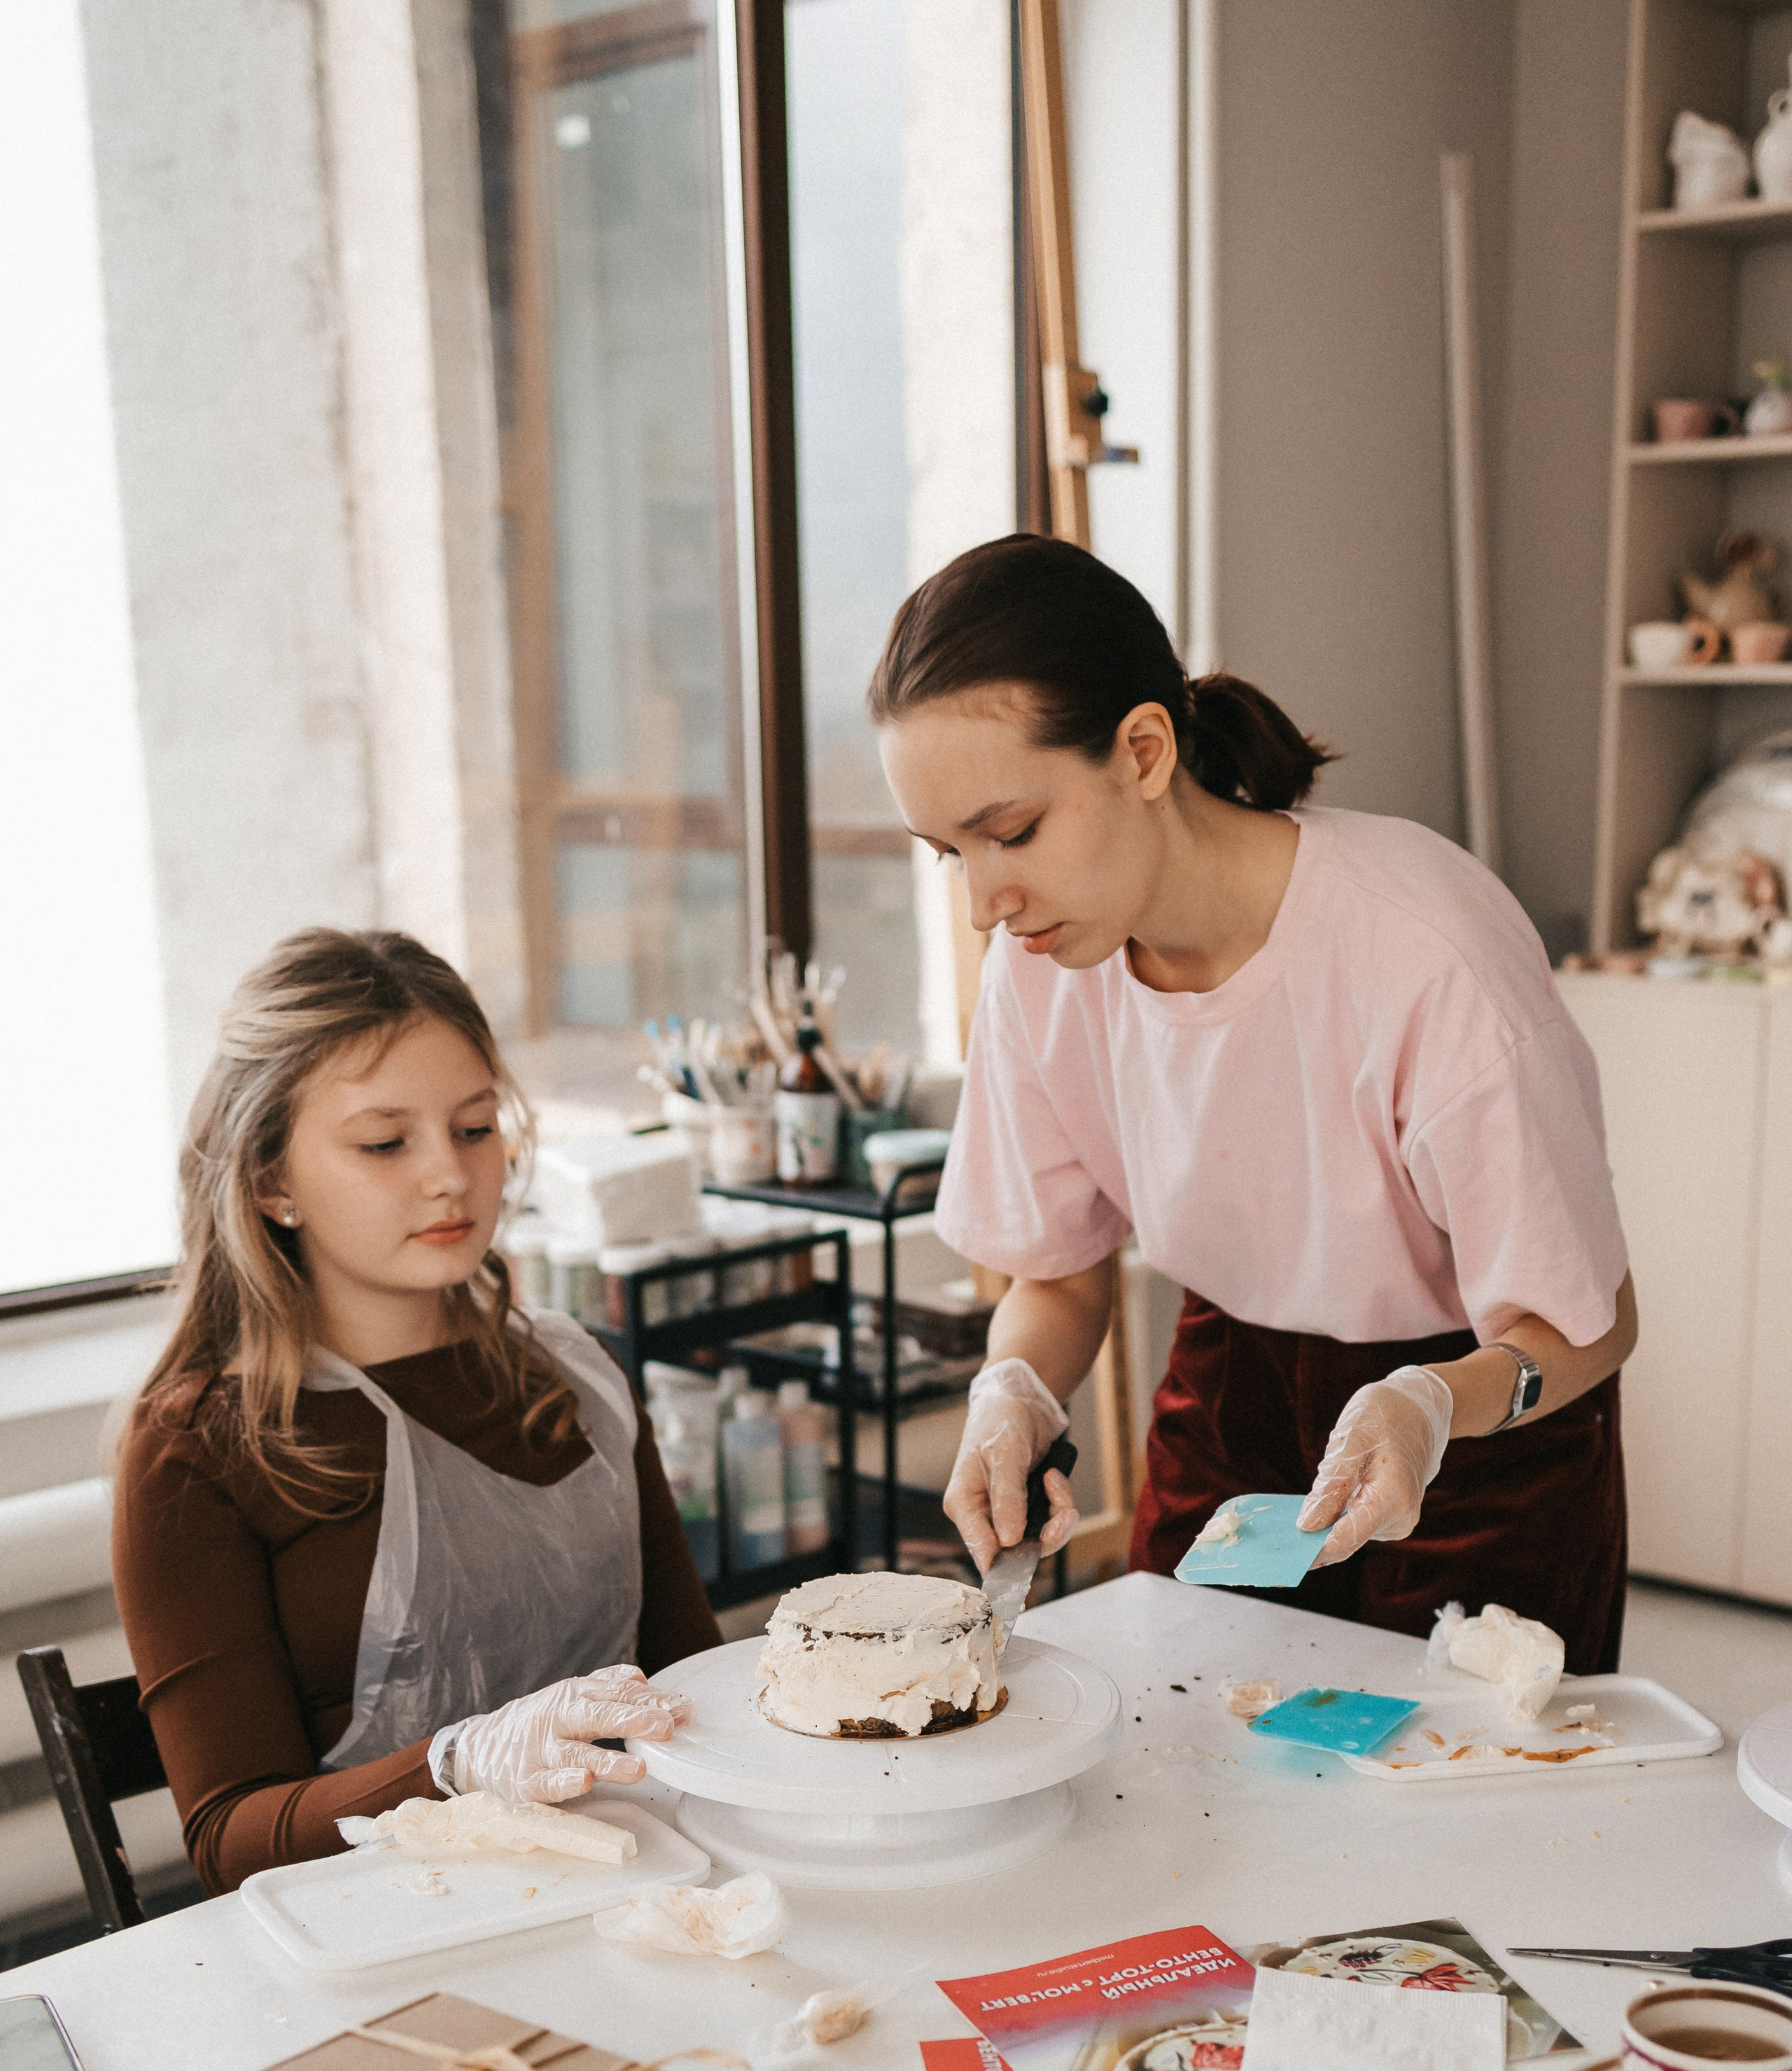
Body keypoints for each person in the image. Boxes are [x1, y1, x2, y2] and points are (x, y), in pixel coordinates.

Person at [870, 535, 1637, 1669]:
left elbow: (1591, 1323)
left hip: (1474, 1428)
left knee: (1456, 1798)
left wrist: (1427, 1407)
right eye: (948, 853)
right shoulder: (1040, 972)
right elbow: (1060, 1272)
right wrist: (1014, 1390)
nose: (987, 900)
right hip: (1230, 1409)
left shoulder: (1423, 953)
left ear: (1142, 750)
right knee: (1184, 1762)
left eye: (1012, 832)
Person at [113, 928, 720, 1892]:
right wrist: (455, 1768)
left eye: (475, 1128)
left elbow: (693, 1682)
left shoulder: (579, 1379)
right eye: (385, 1143)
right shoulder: (204, 1447)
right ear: (271, 1181)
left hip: (653, 1884)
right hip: (381, 1925)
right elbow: (229, 1836)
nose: (448, 1175)